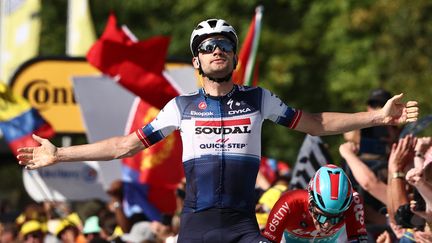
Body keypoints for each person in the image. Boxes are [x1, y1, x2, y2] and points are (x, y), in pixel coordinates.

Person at [17, 18, 419, 242]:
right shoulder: (181, 107)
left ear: (232, 55)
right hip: (196, 226)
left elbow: (315, 123)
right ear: (197, 60)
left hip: (243, 226)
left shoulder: (259, 99)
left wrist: (378, 118)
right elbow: (123, 146)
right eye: (208, 46)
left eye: (225, 44)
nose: (218, 50)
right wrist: (59, 154)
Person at [262, 164, 368, 242]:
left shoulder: (355, 201)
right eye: (322, 216)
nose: (327, 224)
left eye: (335, 218)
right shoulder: (290, 203)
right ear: (311, 202)